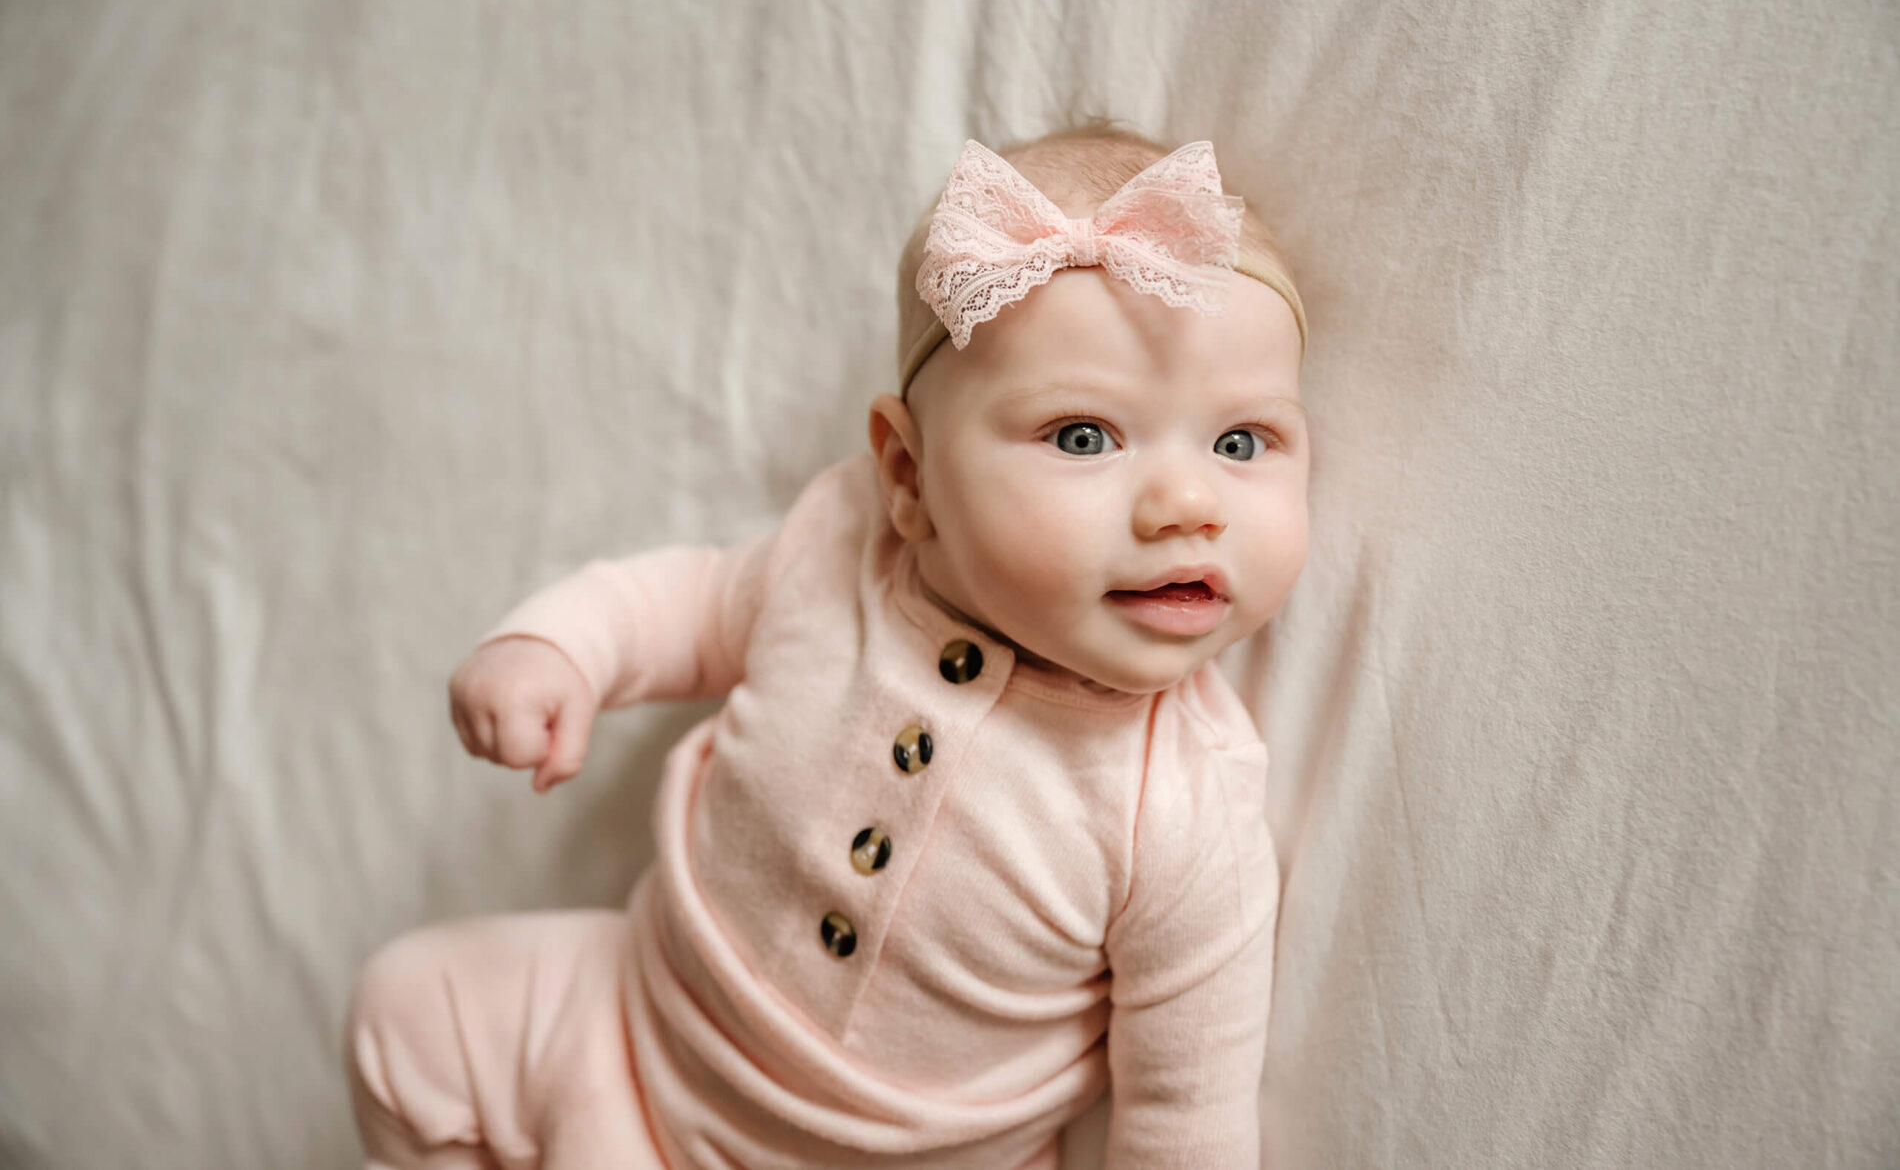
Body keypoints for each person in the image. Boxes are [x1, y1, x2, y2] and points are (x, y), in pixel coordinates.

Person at [344, 123, 1312, 1169]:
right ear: (906, 474)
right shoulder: (837, 548)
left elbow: (1184, 1119)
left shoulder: (1185, 813)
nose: (1187, 502)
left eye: (1240, 442)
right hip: (628, 1038)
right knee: (407, 1012)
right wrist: (558, 648)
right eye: (1083, 436)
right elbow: (694, 600)